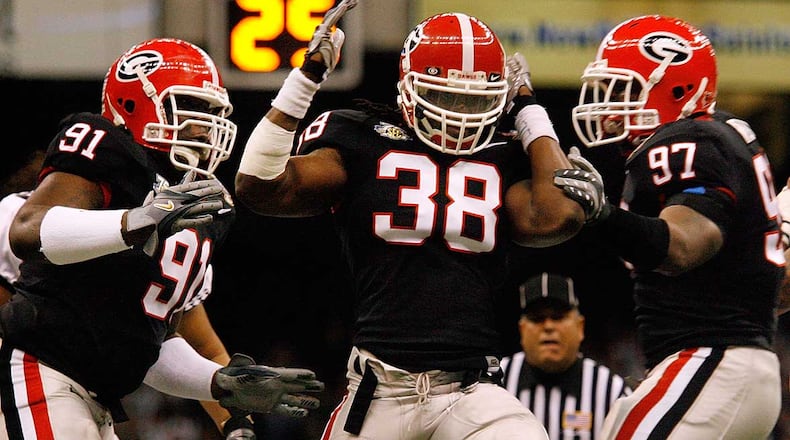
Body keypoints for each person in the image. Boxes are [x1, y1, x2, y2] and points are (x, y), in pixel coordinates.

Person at [235, 4, 588, 438]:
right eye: (446, 95)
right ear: (407, 86)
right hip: (378, 389)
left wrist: (530, 111)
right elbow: (260, 186)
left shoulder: (502, 155)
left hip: (471, 391)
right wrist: (304, 79)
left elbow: (558, 216)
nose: (458, 111)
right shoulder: (362, 137)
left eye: (473, 98)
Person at [0, 37, 325, 439]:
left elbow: (151, 346)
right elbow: (28, 231)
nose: (205, 125)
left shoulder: (194, 210)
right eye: (191, 108)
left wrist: (220, 386)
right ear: (133, 104)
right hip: (41, 367)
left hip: (96, 394)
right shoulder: (105, 149)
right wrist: (140, 220)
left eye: (211, 111)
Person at [552, 15, 784, 439]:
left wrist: (602, 214)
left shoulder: (690, 139)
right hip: (725, 364)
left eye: (624, 90)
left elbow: (684, 246)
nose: (608, 107)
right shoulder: (721, 137)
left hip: (714, 361)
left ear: (678, 88)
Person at [501, 272, 632, 440]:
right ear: (522, 330)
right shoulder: (496, 382)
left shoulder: (612, 392)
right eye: (537, 318)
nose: (548, 326)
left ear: (580, 327)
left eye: (558, 317)